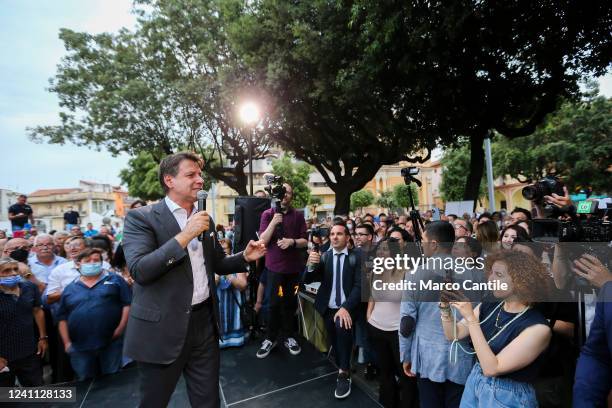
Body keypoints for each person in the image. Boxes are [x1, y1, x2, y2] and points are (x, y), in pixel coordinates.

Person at [122, 151, 266, 408]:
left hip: (204, 324)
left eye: (200, 174)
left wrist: (245, 255)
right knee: (154, 402)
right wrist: (185, 235)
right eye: (191, 174)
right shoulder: (141, 218)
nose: (200, 180)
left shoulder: (205, 220)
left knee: (207, 401)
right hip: (161, 328)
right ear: (169, 180)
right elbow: (140, 271)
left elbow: (219, 264)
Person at [440, 250, 552, 408]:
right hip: (476, 380)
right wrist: (444, 307)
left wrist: (471, 318)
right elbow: (454, 334)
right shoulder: (491, 305)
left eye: (498, 275)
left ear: (521, 281)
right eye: (491, 273)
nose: (491, 279)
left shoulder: (538, 328)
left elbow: (492, 368)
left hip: (508, 395)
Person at [400, 221, 480, 408]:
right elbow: (476, 316)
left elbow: (406, 322)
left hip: (428, 358)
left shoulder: (415, 273)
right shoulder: (474, 274)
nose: (421, 244)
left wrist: (406, 355)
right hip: (461, 355)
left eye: (423, 240)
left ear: (434, 244)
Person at [305, 224, 363, 399]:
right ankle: (342, 365)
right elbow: (308, 279)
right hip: (327, 308)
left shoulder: (356, 257)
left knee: (342, 330)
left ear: (347, 237)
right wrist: (310, 265)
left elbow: (360, 286)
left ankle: (344, 373)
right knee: (334, 340)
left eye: (339, 234)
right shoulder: (325, 257)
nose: (335, 237)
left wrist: (345, 307)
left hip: (348, 307)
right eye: (332, 234)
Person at [57, 248, 131, 381]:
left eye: (96, 260)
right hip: (80, 346)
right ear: (78, 264)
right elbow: (62, 318)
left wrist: (120, 329)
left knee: (113, 378)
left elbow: (127, 304)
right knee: (86, 381)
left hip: (111, 342)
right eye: (88, 261)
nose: (92, 263)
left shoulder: (115, 280)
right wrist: (67, 343)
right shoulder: (70, 288)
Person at [256, 182, 308, 359]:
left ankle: (289, 337)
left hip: (294, 270)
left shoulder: (298, 215)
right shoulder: (267, 214)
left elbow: (305, 241)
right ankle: (270, 338)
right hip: (274, 270)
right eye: (282, 192)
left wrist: (291, 242)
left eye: (289, 192)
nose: (285, 195)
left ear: (292, 196)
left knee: (290, 304)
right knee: (273, 305)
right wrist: (273, 222)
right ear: (276, 195)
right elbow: (262, 240)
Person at [367, 236, 418, 408]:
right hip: (376, 328)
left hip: (398, 333)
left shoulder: (407, 272)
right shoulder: (375, 270)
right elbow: (372, 297)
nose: (381, 253)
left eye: (386, 249)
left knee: (406, 375)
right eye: (380, 249)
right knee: (385, 372)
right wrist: (369, 317)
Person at [0, 257, 47, 387]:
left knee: (37, 391)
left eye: (15, 269)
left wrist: (43, 337)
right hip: (3, 355)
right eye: (7, 271)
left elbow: (37, 310)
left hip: (29, 351)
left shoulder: (29, 287)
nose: (14, 273)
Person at [216, 239, 248, 348]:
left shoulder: (237, 261)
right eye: (221, 250)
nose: (224, 252)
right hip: (220, 305)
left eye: (225, 249)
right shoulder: (213, 263)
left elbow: (243, 285)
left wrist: (227, 272)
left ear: (230, 248)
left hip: (235, 306)